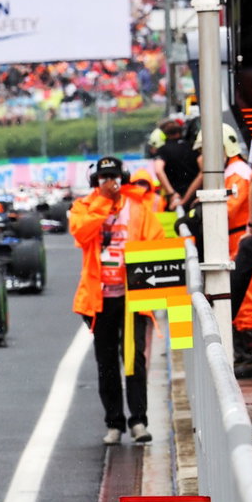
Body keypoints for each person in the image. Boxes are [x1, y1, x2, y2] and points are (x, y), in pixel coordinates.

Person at [69, 157, 164, 445]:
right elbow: (81, 233)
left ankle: (138, 421)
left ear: (122, 178)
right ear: (94, 181)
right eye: (103, 178)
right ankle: (114, 423)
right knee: (106, 362)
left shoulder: (138, 207)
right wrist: (103, 204)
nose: (109, 182)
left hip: (132, 296)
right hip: (99, 300)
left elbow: (155, 241)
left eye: (113, 177)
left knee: (134, 358)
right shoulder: (84, 207)